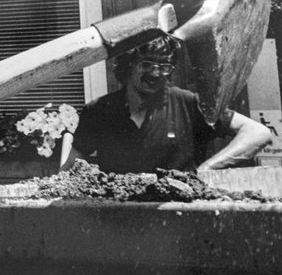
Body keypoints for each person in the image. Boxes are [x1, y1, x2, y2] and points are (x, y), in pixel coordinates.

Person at [65, 34, 271, 174]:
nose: (155, 73)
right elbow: (69, 168)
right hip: (120, 219)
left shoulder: (188, 104)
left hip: (178, 216)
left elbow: (258, 133)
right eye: (147, 64)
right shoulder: (100, 111)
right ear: (128, 65)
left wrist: (205, 171)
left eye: (164, 66)